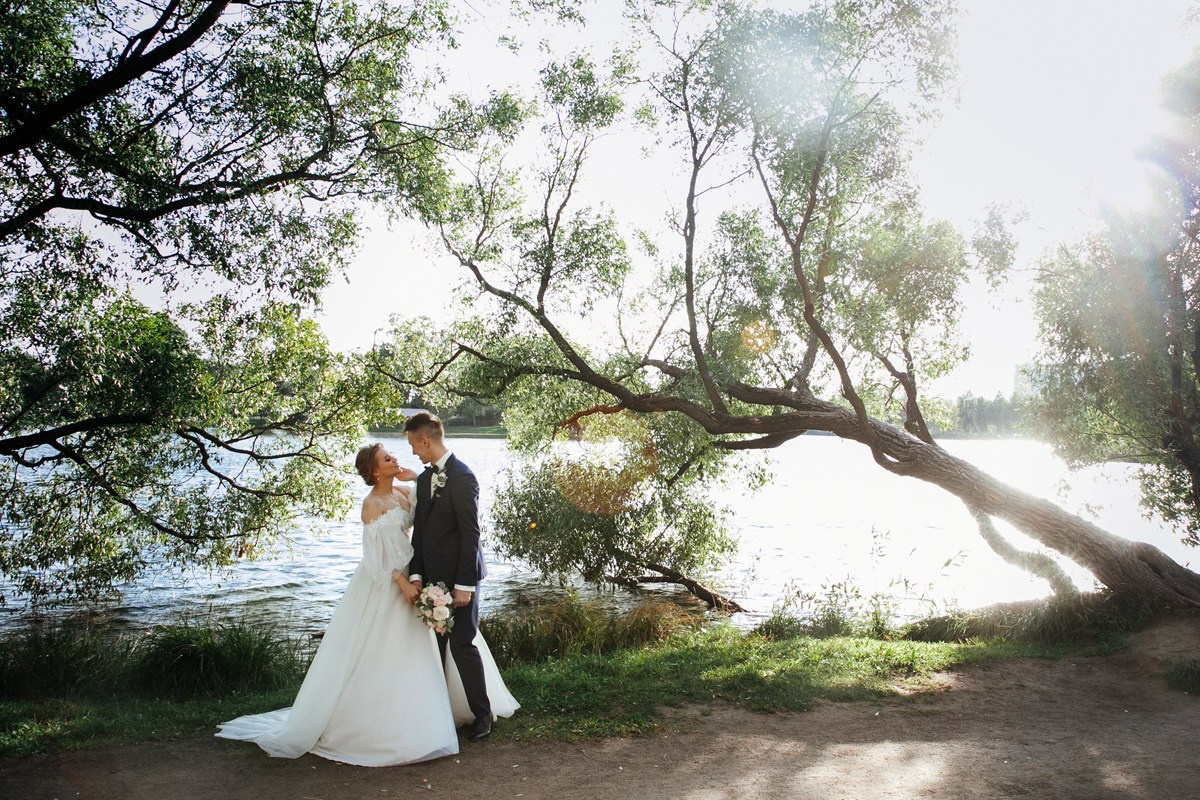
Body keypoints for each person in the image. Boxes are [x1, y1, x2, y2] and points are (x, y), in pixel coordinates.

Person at [215, 442, 516, 765]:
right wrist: (401, 582)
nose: (395, 459)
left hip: (416, 577)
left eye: (392, 456)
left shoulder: (404, 491)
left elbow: (425, 521)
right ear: (374, 471)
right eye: (387, 459)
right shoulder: (371, 504)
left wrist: (416, 480)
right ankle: (383, 721)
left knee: (428, 646)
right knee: (387, 648)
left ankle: (437, 709)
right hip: (390, 582)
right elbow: (374, 557)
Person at [404, 411, 496, 741]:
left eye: (414, 444)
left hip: (460, 581)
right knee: (436, 649)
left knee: (462, 645)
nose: (413, 451)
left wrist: (464, 586)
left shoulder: (463, 477)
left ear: (425, 440)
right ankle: (440, 717)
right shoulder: (425, 479)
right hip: (431, 581)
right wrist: (416, 574)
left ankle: (483, 715)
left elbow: (470, 534)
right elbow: (421, 533)